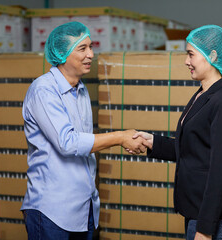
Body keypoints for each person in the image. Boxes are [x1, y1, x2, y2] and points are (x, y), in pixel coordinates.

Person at [20, 22, 150, 240]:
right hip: (52, 211)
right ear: (62, 54)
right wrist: (120, 137)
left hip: (83, 207)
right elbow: (68, 143)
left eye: (91, 47)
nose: (91, 54)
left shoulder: (80, 90)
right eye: (82, 49)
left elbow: (85, 145)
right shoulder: (44, 90)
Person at [133, 25, 222, 240]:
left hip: (209, 218)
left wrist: (205, 228)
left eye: (191, 54)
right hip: (195, 211)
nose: (186, 61)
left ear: (212, 56)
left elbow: (219, 169)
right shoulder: (202, 94)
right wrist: (152, 141)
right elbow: (192, 149)